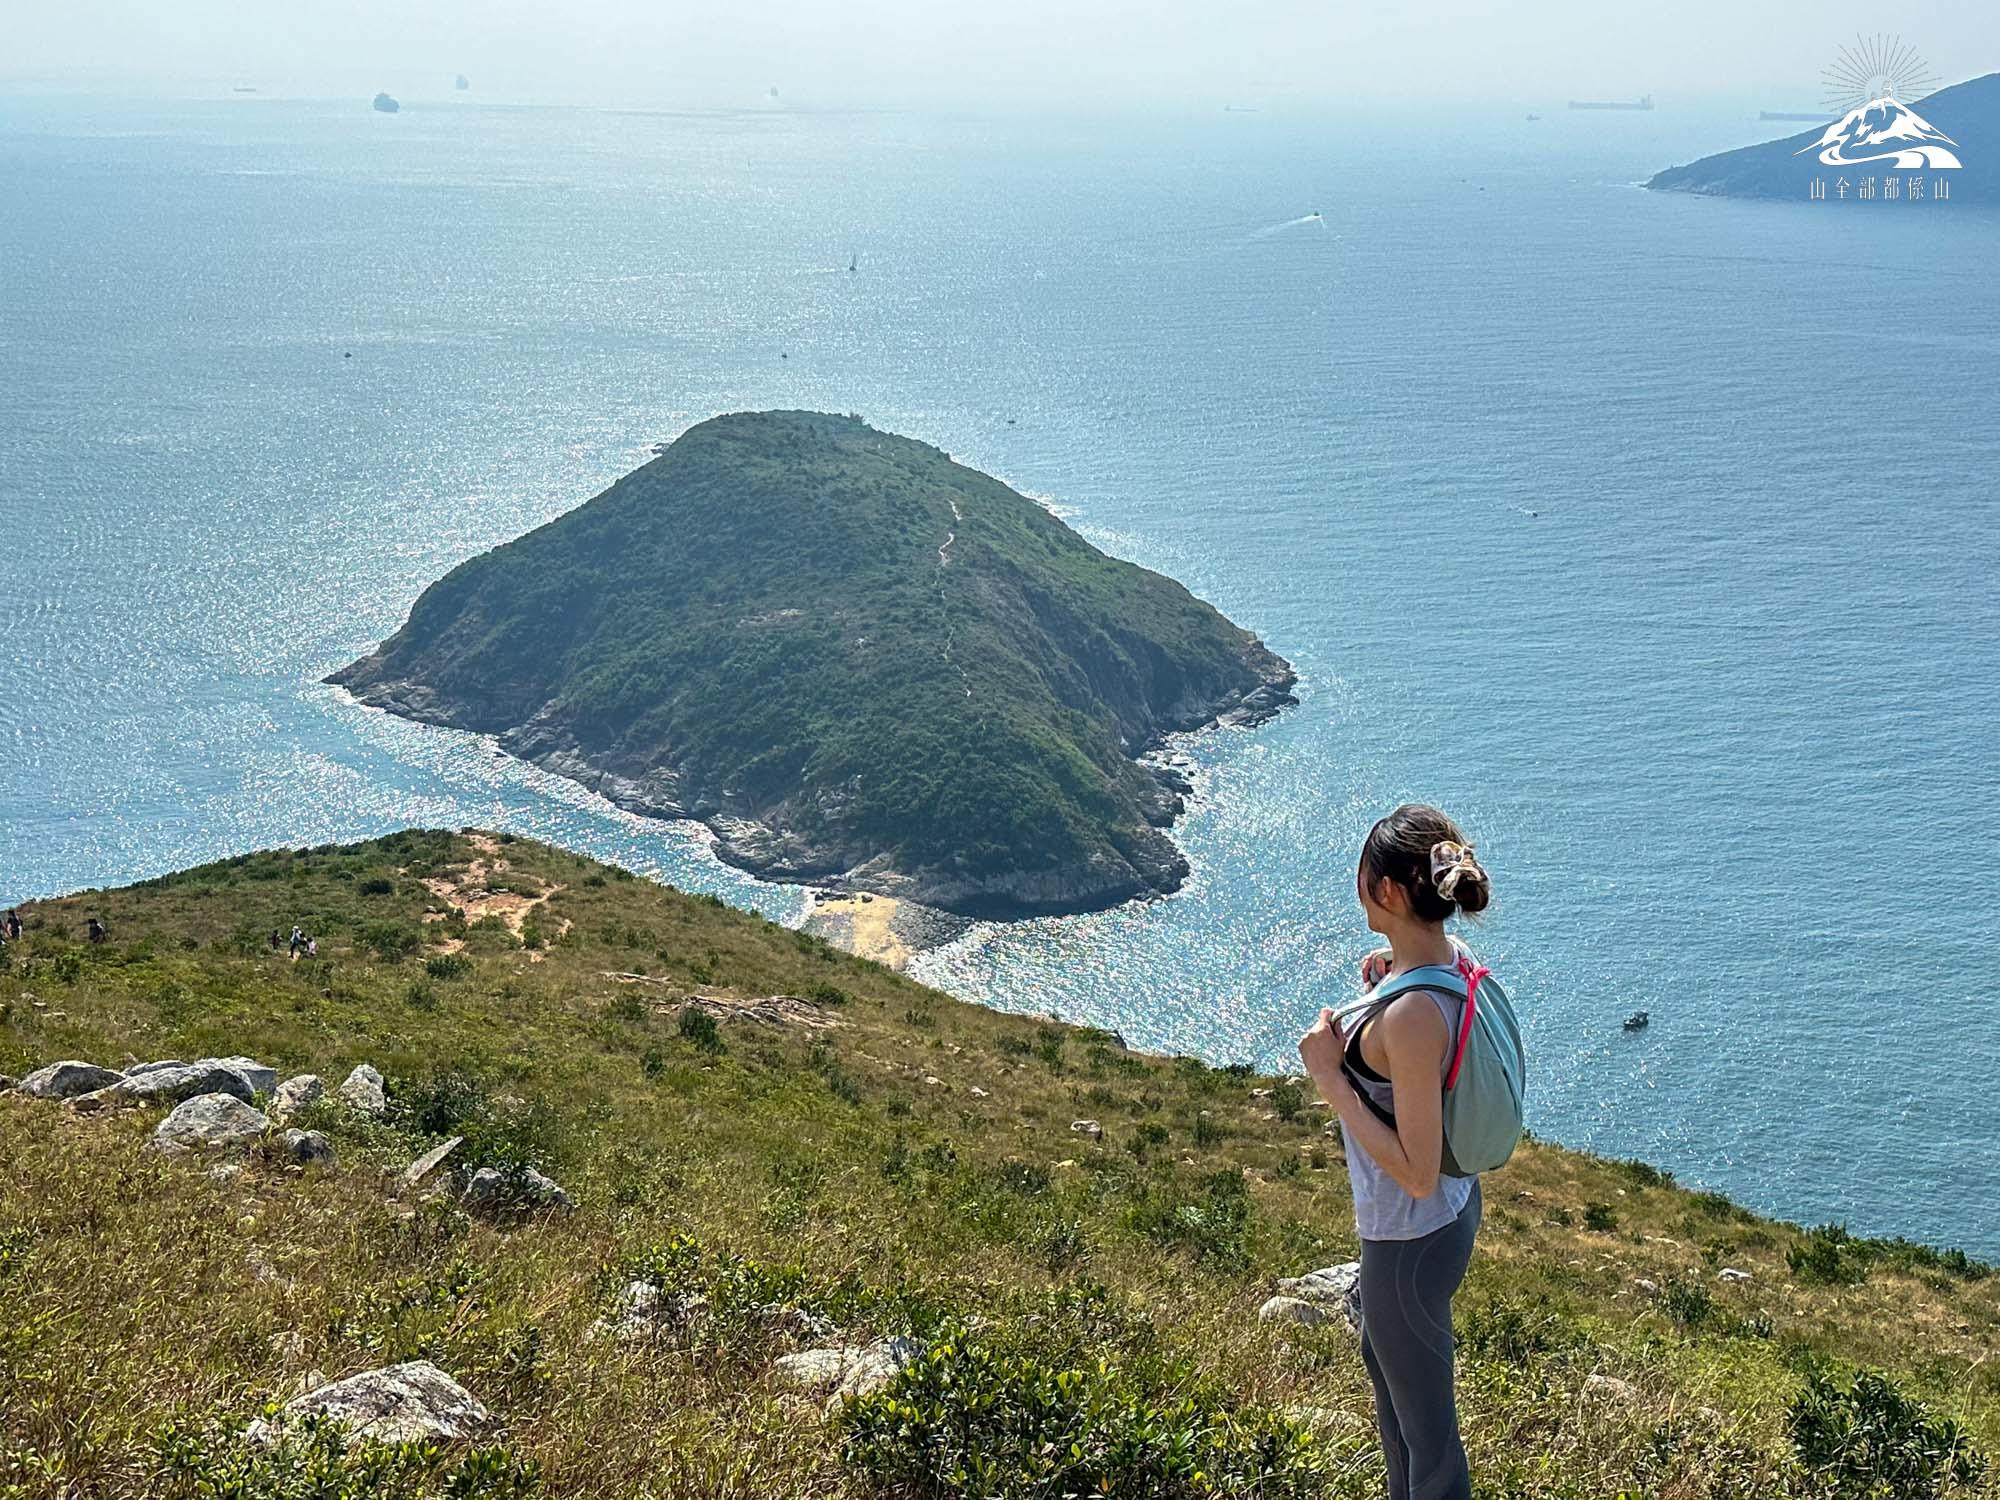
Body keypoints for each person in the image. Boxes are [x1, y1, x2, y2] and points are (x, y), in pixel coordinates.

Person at [1298, 804, 1491, 1500]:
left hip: (1408, 1239)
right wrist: (1386, 983)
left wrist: (1329, 1077)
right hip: (1454, 1210)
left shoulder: (1408, 1014)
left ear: (1382, 891)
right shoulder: (1453, 966)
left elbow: (1412, 1171)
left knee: (1431, 1446)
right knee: (1393, 1392)